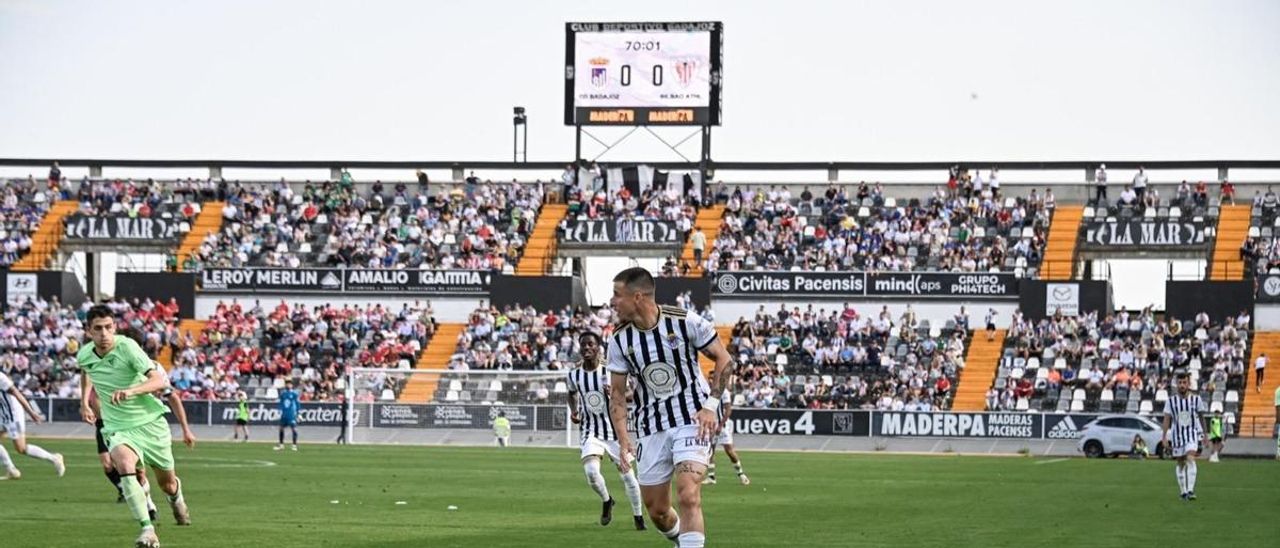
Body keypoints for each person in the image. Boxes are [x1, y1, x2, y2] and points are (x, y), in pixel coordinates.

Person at [606, 267, 734, 548]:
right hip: (650, 426)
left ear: (637, 296)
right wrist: (624, 438)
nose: (612, 302)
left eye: (617, 295)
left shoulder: (684, 321)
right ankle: (680, 541)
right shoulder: (618, 339)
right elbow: (616, 394)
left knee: (688, 494)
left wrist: (711, 406)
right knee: (657, 511)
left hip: (692, 417)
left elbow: (724, 359)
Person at [78, 305, 191, 548]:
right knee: (125, 465)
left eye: (108, 327)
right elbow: (86, 371)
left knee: (167, 483)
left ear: (115, 327)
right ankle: (147, 530)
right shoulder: (84, 354)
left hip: (150, 423)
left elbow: (158, 380)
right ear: (88, 331)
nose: (104, 334)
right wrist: (84, 401)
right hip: (118, 426)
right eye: (98, 329)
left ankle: (176, 498)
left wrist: (131, 390)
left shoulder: (128, 347)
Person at [567, 331, 645, 530]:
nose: (586, 348)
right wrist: (574, 410)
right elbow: (571, 393)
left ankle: (638, 516)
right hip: (590, 430)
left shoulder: (610, 372)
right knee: (591, 472)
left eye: (590, 344)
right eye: (583, 345)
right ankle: (607, 500)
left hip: (616, 433)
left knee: (628, 476)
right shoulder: (574, 374)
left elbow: (630, 392)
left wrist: (619, 393)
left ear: (598, 347)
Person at [0, 371, 65, 479]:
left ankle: (54, 458)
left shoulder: (1, 378)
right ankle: (11, 469)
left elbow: (16, 393)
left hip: (13, 414)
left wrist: (31, 412)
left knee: (21, 448)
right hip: (2, 413)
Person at [1161, 372, 1207, 501]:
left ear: (1188, 384)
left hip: (1191, 434)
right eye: (1180, 383)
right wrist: (1164, 436)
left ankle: (1191, 490)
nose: (1182, 385)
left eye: (1184, 382)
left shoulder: (1196, 399)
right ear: (1177, 384)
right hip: (1177, 436)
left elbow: (1202, 417)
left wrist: (1205, 435)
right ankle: (1183, 492)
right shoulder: (1171, 401)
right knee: (1180, 463)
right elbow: (1166, 419)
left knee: (1190, 458)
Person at [704, 388, 750, 486]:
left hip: (722, 425)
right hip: (711, 424)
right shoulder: (707, 390)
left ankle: (741, 474)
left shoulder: (724, 392)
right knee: (710, 450)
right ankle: (711, 476)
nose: (711, 380)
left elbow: (728, 410)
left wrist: (720, 425)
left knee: (729, 450)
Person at [275, 380, 300, 451]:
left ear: (292, 385)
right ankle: (281, 445)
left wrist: (298, 413)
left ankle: (294, 445)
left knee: (294, 429)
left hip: (291, 414)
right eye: (287, 384)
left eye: (290, 384)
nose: (288, 385)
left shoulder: (294, 394)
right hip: (284, 414)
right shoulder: (283, 394)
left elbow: (298, 404)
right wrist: (279, 411)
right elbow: (281, 403)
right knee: (281, 428)